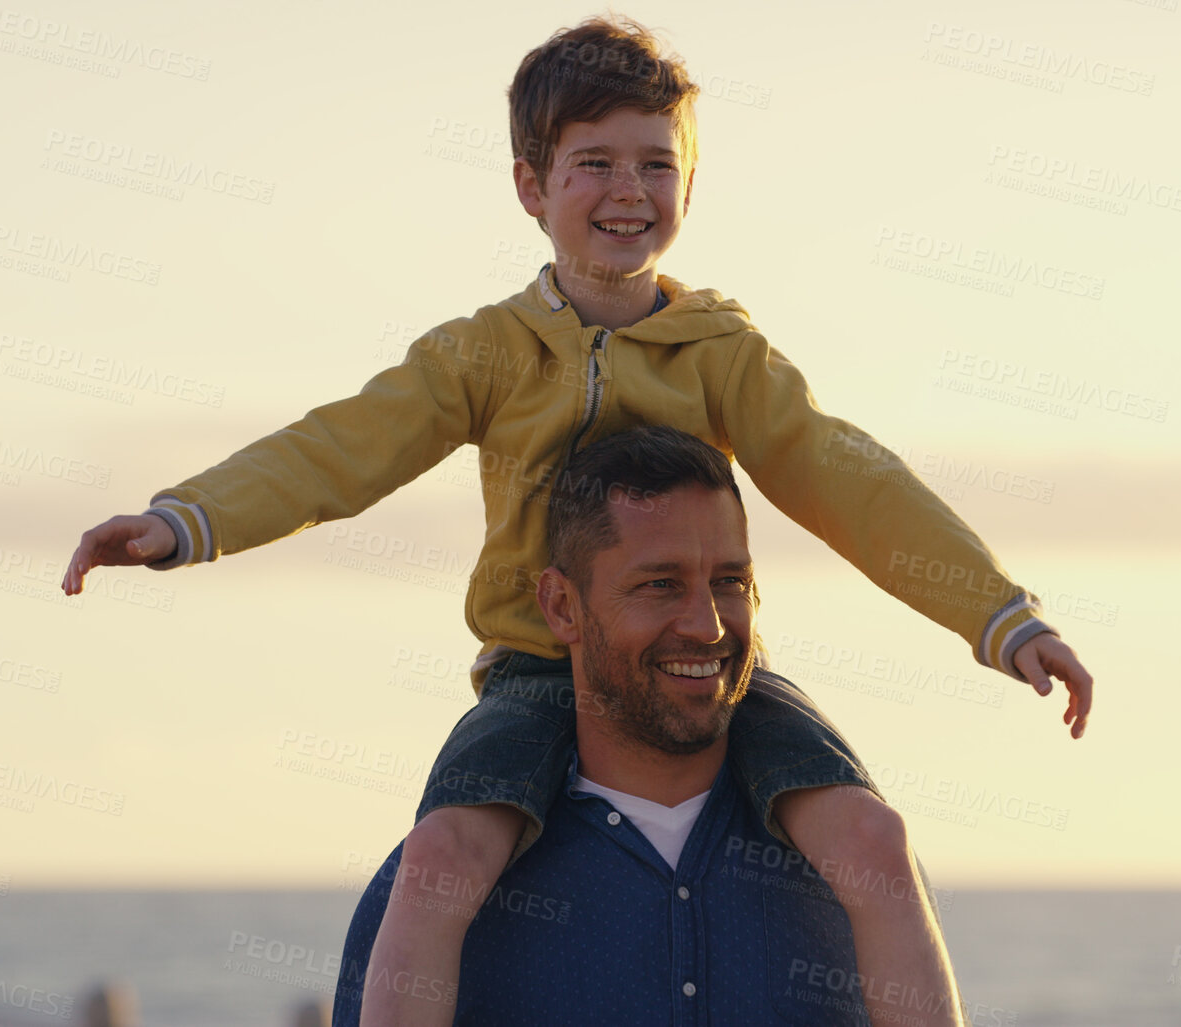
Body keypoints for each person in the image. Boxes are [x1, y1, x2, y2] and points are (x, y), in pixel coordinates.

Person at [61, 15, 1094, 1027]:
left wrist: (1000, 617)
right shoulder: (486, 354)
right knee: (440, 863)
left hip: (710, 666)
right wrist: (184, 520)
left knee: (872, 838)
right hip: (531, 670)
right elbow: (342, 447)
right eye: (594, 162)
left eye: (655, 164)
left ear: (690, 186)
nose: (627, 192)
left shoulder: (722, 353)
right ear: (531, 184)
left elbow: (851, 480)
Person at [330, 426, 959, 1025]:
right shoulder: (435, 892)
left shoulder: (857, 873)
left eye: (729, 582)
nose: (706, 625)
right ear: (562, 606)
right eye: (661, 584)